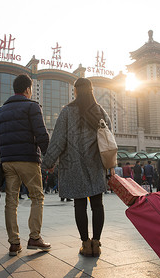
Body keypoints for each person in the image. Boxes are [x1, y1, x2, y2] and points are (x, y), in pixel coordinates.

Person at [42, 77, 112, 257]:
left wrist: (48, 162)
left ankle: (85, 244)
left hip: (74, 165)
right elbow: (108, 137)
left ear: (75, 91)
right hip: (95, 163)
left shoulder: (67, 112)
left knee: (79, 204)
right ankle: (97, 243)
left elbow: (58, 139)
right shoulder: (99, 111)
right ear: (91, 91)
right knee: (97, 204)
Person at [0, 74, 51, 256]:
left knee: (11, 202)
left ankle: (14, 243)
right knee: (37, 197)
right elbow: (41, 135)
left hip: (7, 162)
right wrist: (49, 159)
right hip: (28, 160)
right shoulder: (32, 107)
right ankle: (34, 237)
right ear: (27, 89)